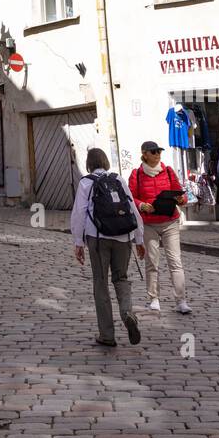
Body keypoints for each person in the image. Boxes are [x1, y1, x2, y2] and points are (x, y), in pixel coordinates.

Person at [71, 147, 145, 348]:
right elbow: (131, 208)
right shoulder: (118, 179)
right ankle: (127, 312)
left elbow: (79, 213)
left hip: (98, 238)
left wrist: (78, 242)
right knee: (121, 278)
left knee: (100, 283)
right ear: (105, 162)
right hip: (123, 237)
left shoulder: (86, 183)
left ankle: (107, 334)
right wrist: (139, 239)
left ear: (89, 163)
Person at [128, 142, 191, 314]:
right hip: (149, 223)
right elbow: (131, 198)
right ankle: (153, 298)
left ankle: (181, 300)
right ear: (145, 154)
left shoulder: (168, 171)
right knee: (152, 262)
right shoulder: (137, 175)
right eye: (153, 152)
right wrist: (142, 206)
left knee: (175, 262)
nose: (157, 155)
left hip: (170, 221)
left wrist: (181, 200)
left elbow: (181, 194)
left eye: (159, 152)